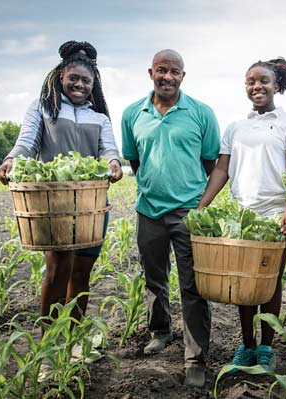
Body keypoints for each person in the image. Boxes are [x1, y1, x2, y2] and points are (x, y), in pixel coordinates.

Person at [0, 40, 123, 358]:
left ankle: (74, 340)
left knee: (81, 272)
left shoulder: (101, 118)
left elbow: (108, 149)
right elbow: (26, 141)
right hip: (55, 204)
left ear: (94, 85)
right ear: (60, 77)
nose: (79, 85)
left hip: (92, 203)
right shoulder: (44, 107)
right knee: (57, 270)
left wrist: (114, 163)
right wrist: (12, 160)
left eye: (86, 81)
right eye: (73, 78)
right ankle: (48, 347)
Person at [198, 58, 286, 373]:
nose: (256, 86)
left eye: (263, 81)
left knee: (269, 282)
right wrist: (203, 204)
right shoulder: (235, 127)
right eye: (250, 81)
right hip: (241, 215)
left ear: (276, 86)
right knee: (243, 283)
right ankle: (246, 345)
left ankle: (266, 348)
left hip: (275, 214)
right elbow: (222, 169)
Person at [121, 49, 220, 388]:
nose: (167, 77)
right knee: (154, 278)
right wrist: (153, 186)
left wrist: (197, 204)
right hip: (148, 209)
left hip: (188, 212)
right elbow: (135, 161)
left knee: (193, 285)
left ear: (183, 76)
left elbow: (211, 164)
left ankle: (195, 357)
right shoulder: (133, 113)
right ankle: (160, 331)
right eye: (161, 70)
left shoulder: (201, 113)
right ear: (151, 72)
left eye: (174, 71)